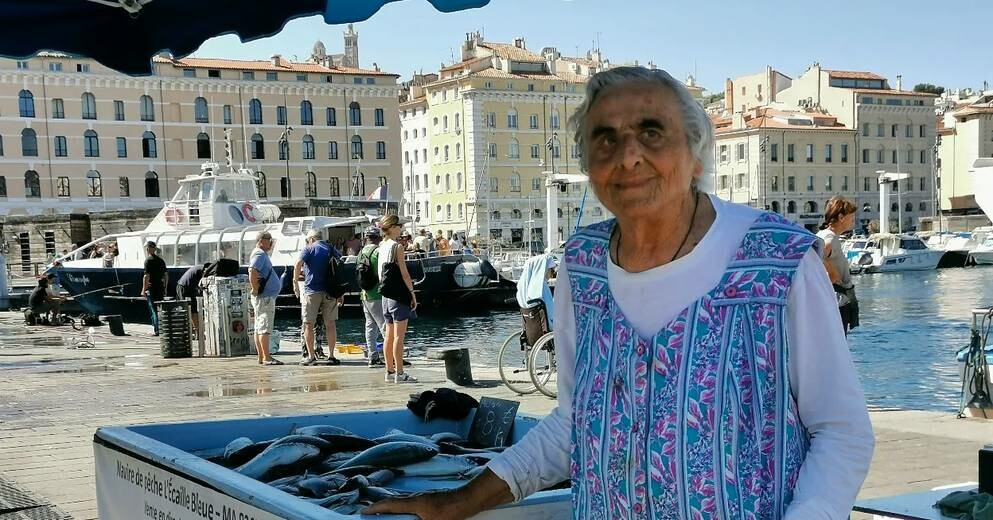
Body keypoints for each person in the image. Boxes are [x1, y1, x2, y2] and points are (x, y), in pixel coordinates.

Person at [365, 66, 874, 519]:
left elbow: (842, 433)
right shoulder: (581, 267)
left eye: (652, 133)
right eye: (604, 139)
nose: (628, 156)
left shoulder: (779, 260)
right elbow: (574, 421)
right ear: (590, 165)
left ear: (695, 154)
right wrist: (457, 503)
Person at [377, 214, 417, 383]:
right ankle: (400, 373)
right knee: (399, 337)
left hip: (385, 296)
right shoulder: (397, 247)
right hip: (398, 296)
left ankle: (389, 371)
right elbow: (405, 274)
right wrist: (412, 293)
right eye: (399, 225)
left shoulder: (382, 245)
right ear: (392, 228)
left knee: (388, 335)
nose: (401, 228)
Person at [294, 229, 342, 366]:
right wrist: (340, 293)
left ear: (310, 239)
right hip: (330, 291)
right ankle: (332, 356)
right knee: (330, 324)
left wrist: (295, 283)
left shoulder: (308, 248)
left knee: (308, 324)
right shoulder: (330, 248)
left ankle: (310, 356)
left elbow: (298, 264)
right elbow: (340, 266)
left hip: (311, 291)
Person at [818, 196, 860, 335]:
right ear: (841, 217)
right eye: (851, 216)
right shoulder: (829, 237)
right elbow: (816, 254)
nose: (853, 219)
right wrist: (832, 273)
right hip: (837, 300)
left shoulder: (825, 234)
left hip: (835, 299)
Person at [249, 232, 283, 365]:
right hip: (265, 298)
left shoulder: (259, 253)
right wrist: (255, 289)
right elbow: (252, 270)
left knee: (259, 327)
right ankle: (266, 357)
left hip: (263, 297)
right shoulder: (260, 254)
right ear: (262, 240)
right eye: (270, 240)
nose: (271, 243)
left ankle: (261, 356)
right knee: (264, 327)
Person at [358, 226, 386, 367]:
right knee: (385, 327)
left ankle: (373, 356)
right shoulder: (379, 252)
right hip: (377, 294)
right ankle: (392, 357)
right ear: (378, 237)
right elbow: (383, 273)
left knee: (370, 327)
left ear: (366, 238)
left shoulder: (361, 252)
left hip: (365, 294)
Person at [140, 241, 168, 336]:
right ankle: (162, 328)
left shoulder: (148, 261)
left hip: (152, 288)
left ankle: (157, 330)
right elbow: (166, 275)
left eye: (147, 248)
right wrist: (165, 287)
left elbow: (146, 276)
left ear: (148, 249)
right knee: (160, 308)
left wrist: (144, 289)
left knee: (153, 309)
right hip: (160, 287)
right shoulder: (161, 260)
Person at [176, 263, 206, 341]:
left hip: (186, 287)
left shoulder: (198, 268)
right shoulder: (203, 270)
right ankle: (195, 332)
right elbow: (204, 282)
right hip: (184, 287)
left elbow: (197, 283)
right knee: (189, 310)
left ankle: (195, 332)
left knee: (192, 310)